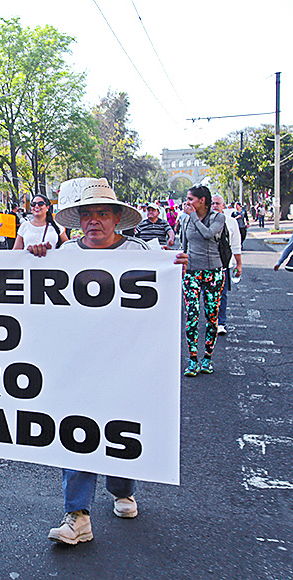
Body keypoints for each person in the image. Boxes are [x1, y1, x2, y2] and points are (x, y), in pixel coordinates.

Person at [26, 178, 186, 546]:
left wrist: (174, 268)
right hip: (77, 362)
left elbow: (160, 300)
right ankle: (77, 515)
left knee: (117, 430)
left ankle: (122, 489)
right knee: (76, 431)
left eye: (102, 214)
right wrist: (33, 256)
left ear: (116, 219)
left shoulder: (140, 252)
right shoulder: (65, 253)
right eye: (87, 215)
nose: (94, 221)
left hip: (125, 362)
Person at [179, 185, 226, 377]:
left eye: (191, 199)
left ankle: (207, 357)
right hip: (191, 272)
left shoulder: (217, 218)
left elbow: (207, 234)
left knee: (211, 316)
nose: (187, 203)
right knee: (192, 315)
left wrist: (192, 217)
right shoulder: (185, 219)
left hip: (213, 272)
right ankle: (192, 359)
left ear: (202, 200)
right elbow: (184, 245)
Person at [211, 195, 243, 336]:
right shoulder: (204, 220)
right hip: (206, 264)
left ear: (223, 206)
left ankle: (221, 323)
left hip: (223, 264)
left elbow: (236, 245)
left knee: (221, 294)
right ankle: (211, 320)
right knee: (208, 295)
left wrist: (239, 264)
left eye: (217, 203)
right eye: (212, 203)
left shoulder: (230, 222)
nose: (214, 206)